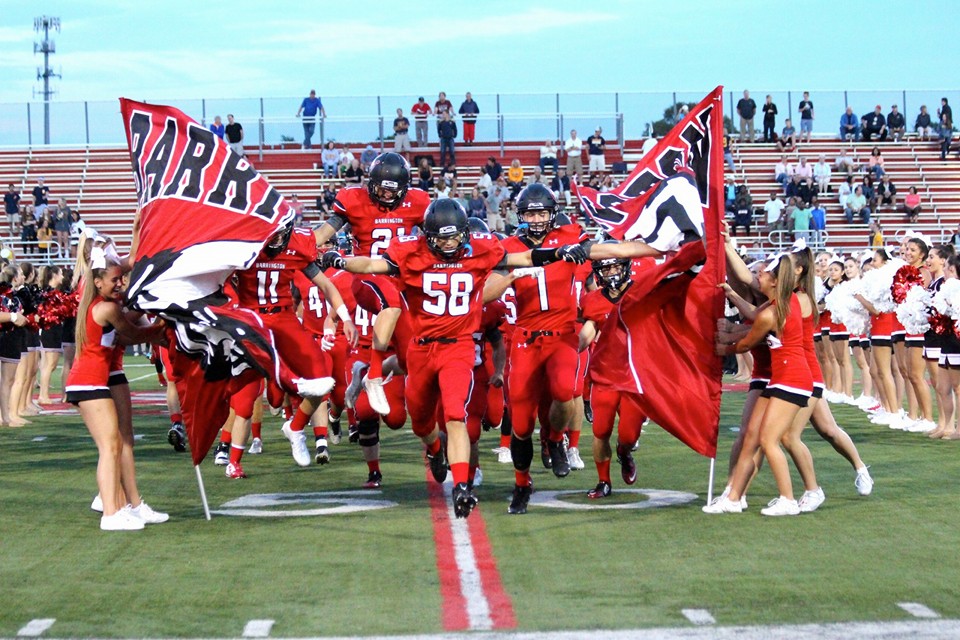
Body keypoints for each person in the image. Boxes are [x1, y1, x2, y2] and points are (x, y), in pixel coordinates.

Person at [329, 198, 584, 518]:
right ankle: (435, 450)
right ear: (428, 236)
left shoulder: (479, 251)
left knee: (455, 416)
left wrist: (557, 252)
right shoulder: (411, 251)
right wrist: (339, 260)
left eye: (454, 237)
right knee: (421, 422)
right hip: (421, 349)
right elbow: (370, 265)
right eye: (442, 237)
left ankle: (462, 485)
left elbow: (523, 256)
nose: (449, 244)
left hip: (458, 348)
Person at [65, 252, 168, 531]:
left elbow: (127, 325)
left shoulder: (104, 304)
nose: (120, 283)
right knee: (110, 446)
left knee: (114, 445)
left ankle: (119, 506)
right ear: (97, 282)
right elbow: (132, 334)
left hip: (92, 381)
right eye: (114, 280)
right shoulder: (105, 308)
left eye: (122, 278)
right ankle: (110, 512)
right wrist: (160, 328)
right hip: (89, 383)